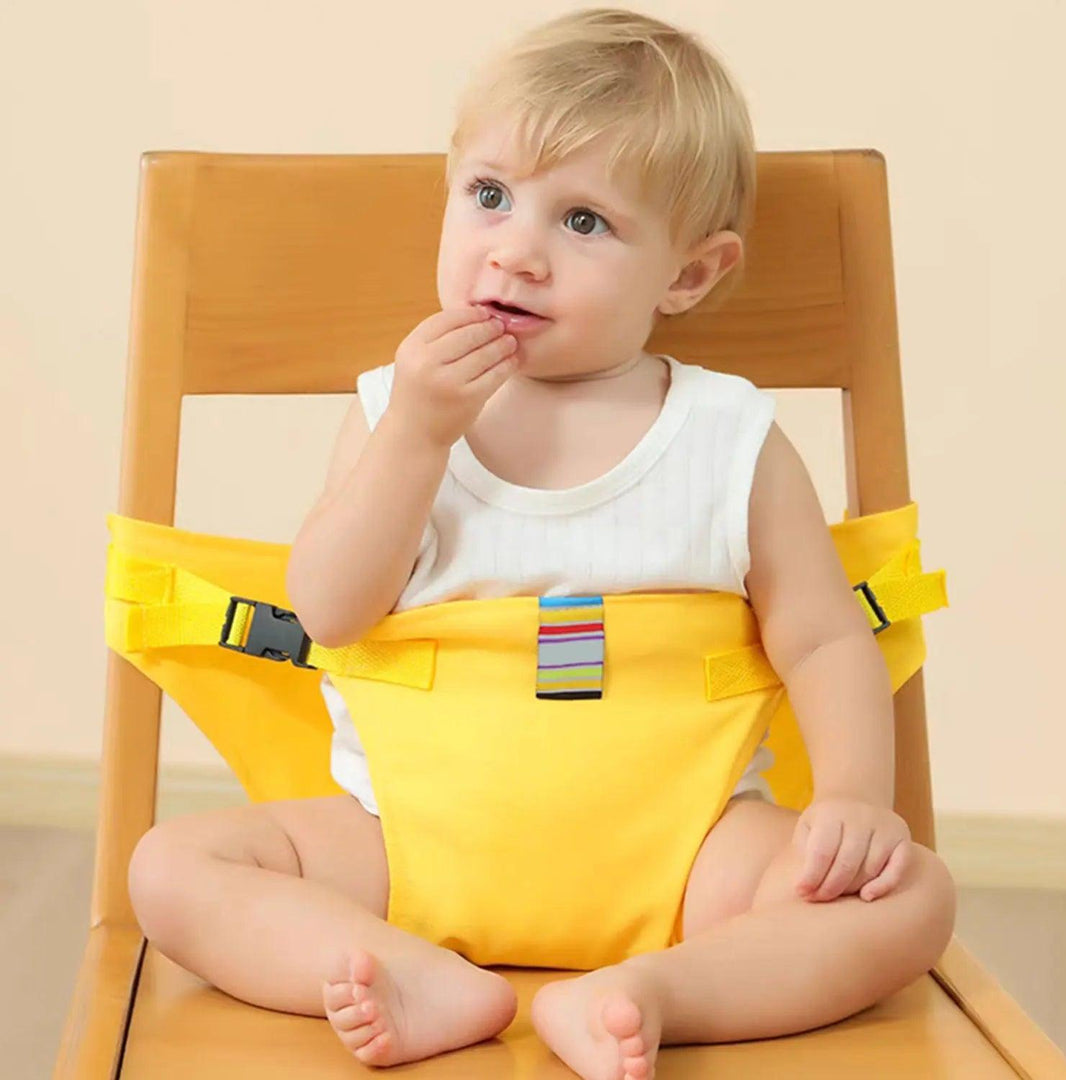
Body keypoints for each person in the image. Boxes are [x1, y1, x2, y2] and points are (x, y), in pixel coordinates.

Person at [125, 8, 957, 1079]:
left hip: (687, 859)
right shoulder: (395, 414)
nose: (515, 250)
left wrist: (852, 796)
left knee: (913, 895)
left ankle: (655, 993)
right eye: (488, 196)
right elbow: (330, 610)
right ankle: (396, 971)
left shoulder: (727, 438)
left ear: (690, 277)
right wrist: (420, 436)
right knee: (174, 866)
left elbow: (825, 638)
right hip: (406, 851)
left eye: (583, 223)